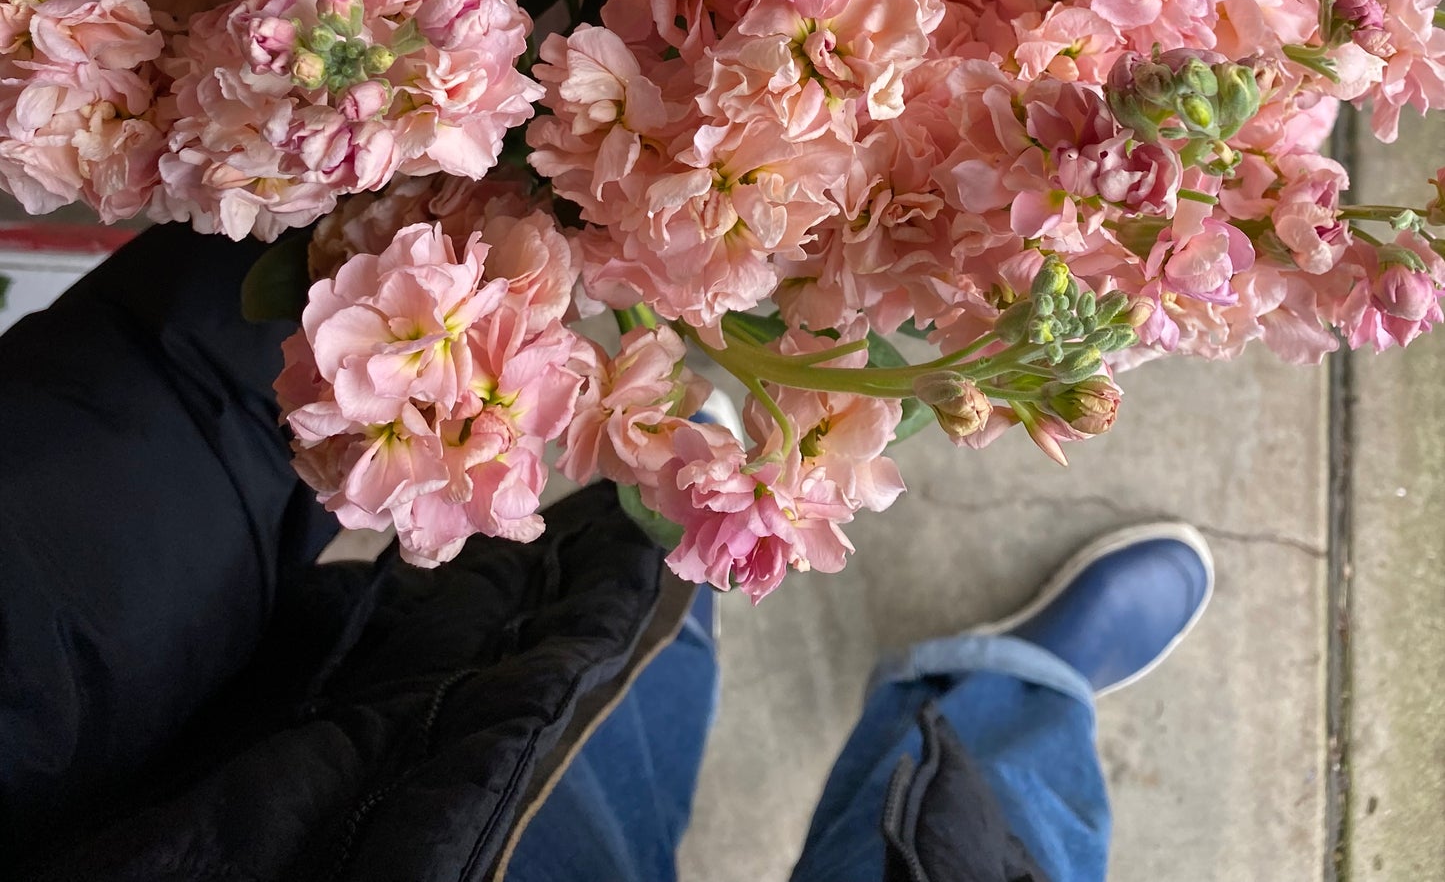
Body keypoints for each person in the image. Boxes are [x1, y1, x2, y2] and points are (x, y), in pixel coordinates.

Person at [0, 225, 1212, 882]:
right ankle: (1003, 694)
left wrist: (351, 232)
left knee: (585, 650)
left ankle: (688, 514)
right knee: (973, 837)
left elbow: (57, 577)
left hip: (325, 806)